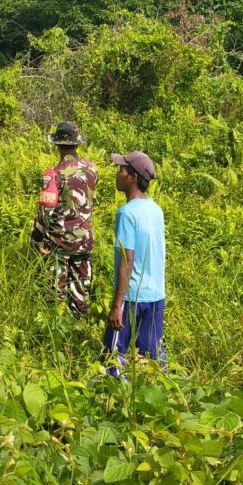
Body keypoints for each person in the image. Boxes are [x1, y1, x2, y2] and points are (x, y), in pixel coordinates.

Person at [103, 150, 166, 375]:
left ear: (133, 177)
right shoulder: (155, 210)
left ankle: (113, 404)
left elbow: (127, 260)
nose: (117, 174)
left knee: (113, 359)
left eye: (121, 170)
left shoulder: (127, 213)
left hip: (131, 299)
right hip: (156, 296)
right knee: (152, 361)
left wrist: (116, 305)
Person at [30, 121, 98, 317]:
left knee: (55, 294)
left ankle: (57, 335)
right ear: (77, 144)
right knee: (80, 292)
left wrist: (36, 240)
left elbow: (45, 211)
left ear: (57, 144)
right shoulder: (92, 169)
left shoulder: (53, 174)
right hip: (84, 240)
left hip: (58, 243)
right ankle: (80, 331)